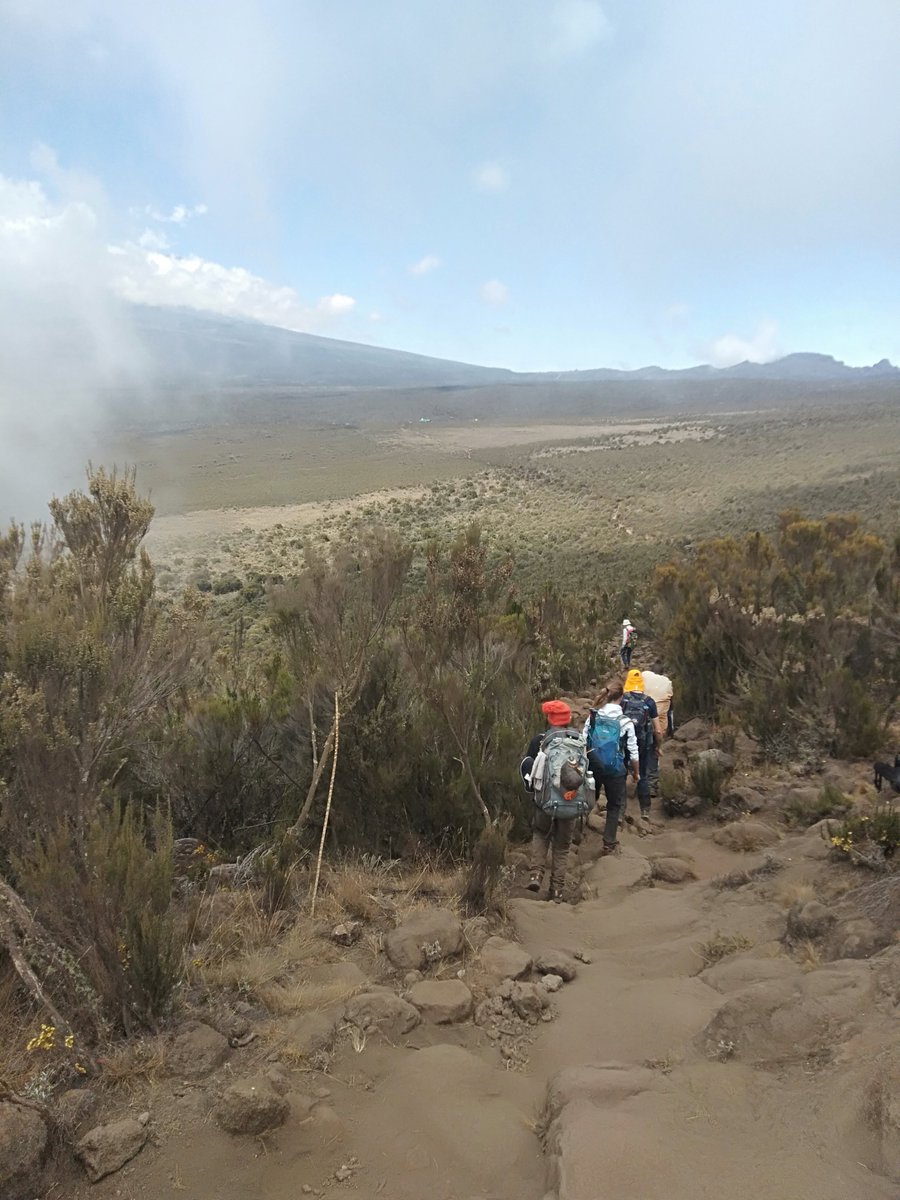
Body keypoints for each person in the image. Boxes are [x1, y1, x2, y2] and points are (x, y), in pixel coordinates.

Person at [521, 699, 585, 902]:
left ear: (549, 719)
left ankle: (536, 874)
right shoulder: (579, 741)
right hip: (571, 803)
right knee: (563, 846)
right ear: (568, 720)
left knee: (540, 834)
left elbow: (530, 768)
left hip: (545, 803)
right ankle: (556, 891)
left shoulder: (540, 740)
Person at [583, 681, 639, 854]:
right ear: (621, 698)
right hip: (615, 770)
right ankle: (608, 843)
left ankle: (576, 830)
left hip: (594, 766)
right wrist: (636, 773)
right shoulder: (625, 722)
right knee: (614, 805)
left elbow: (583, 740)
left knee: (588, 800)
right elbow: (633, 751)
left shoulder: (594, 716)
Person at [621, 668, 661, 819]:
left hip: (624, 743)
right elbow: (658, 730)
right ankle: (645, 811)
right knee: (642, 775)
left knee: (622, 775)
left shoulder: (622, 700)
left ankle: (620, 812)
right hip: (642, 743)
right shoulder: (649, 701)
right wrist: (658, 746)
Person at [640, 664, 674, 797]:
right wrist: (670, 729)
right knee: (654, 750)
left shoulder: (644, 676)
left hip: (641, 718)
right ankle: (652, 785)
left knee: (639, 748)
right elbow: (670, 707)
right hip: (658, 722)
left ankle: (638, 778)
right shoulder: (667, 682)